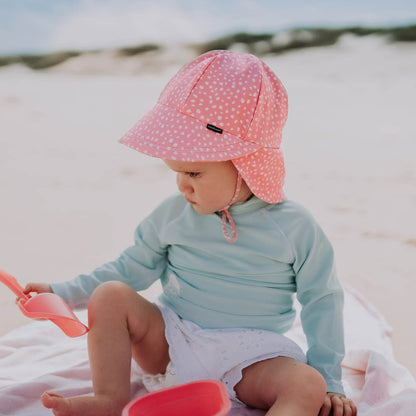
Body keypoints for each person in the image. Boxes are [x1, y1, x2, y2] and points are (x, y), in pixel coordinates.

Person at [25, 50, 357, 416]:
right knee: (110, 296)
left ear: (246, 164)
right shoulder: (172, 215)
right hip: (171, 342)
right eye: (177, 173)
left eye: (194, 174)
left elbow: (322, 300)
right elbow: (130, 268)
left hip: (251, 357)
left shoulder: (294, 227)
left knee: (307, 384)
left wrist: (331, 379)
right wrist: (61, 292)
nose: (183, 186)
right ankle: (109, 398)